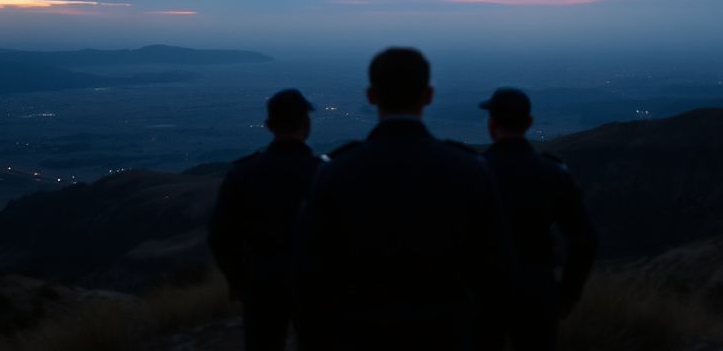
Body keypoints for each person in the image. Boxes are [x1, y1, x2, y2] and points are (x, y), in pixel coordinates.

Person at [296, 48, 512, 351]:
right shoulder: (469, 170)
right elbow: (494, 267)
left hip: (361, 334)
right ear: (428, 95)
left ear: (371, 96)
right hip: (447, 334)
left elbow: (312, 272)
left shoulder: (336, 172)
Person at [480, 87, 597, 351]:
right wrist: (568, 294)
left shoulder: (474, 172)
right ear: (529, 123)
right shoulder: (552, 172)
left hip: (484, 292)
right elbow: (585, 239)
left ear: (491, 125)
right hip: (537, 290)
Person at [209, 88, 324, 351]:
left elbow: (219, 236)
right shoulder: (323, 173)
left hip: (261, 285)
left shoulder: (243, 174)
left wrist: (239, 281)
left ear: (269, 126)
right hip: (314, 285)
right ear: (307, 125)